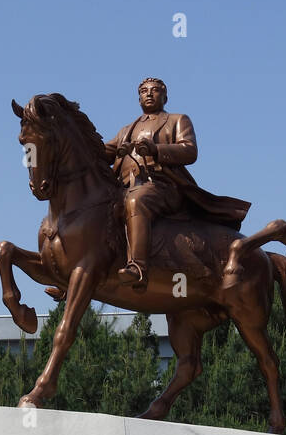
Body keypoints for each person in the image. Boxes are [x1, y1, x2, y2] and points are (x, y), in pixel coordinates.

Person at [103, 76, 250, 290]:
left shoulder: (177, 120)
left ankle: (139, 268)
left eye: (155, 90)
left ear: (165, 96)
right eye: (144, 91)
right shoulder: (126, 130)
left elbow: (189, 150)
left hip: (163, 187)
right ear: (139, 98)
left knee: (137, 201)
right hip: (125, 187)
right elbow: (104, 152)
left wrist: (156, 150)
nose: (149, 94)